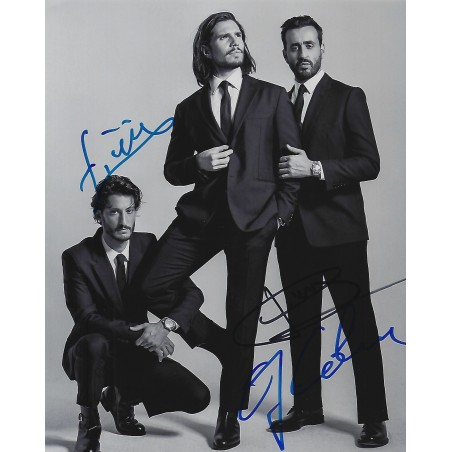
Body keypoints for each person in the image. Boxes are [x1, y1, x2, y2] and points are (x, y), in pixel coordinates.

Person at [139, 11, 301, 450]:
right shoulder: (188, 107)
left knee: (242, 313)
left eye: (238, 35)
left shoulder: (272, 96)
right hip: (203, 218)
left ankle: (229, 414)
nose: (234, 41)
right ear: (206, 50)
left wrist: (280, 215)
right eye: (224, 37)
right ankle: (226, 348)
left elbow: (292, 159)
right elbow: (172, 170)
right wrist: (197, 163)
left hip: (255, 221)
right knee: (150, 284)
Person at [269, 15, 389, 448]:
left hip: (341, 234)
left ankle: (374, 418)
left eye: (309, 45)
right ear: (285, 53)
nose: (302, 53)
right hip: (292, 234)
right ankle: (307, 406)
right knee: (301, 324)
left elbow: (369, 162)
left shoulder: (348, 96)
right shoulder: (277, 102)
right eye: (294, 46)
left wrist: (316, 168)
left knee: (358, 325)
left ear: (322, 48)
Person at [62, 175, 211, 452]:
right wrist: (144, 333)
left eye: (129, 211)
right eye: (114, 212)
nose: (124, 221)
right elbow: (87, 318)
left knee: (198, 397)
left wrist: (165, 326)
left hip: (136, 352)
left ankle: (120, 398)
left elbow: (193, 293)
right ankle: (89, 422)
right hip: (94, 351)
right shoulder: (77, 256)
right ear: (98, 216)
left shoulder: (149, 245)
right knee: (93, 343)